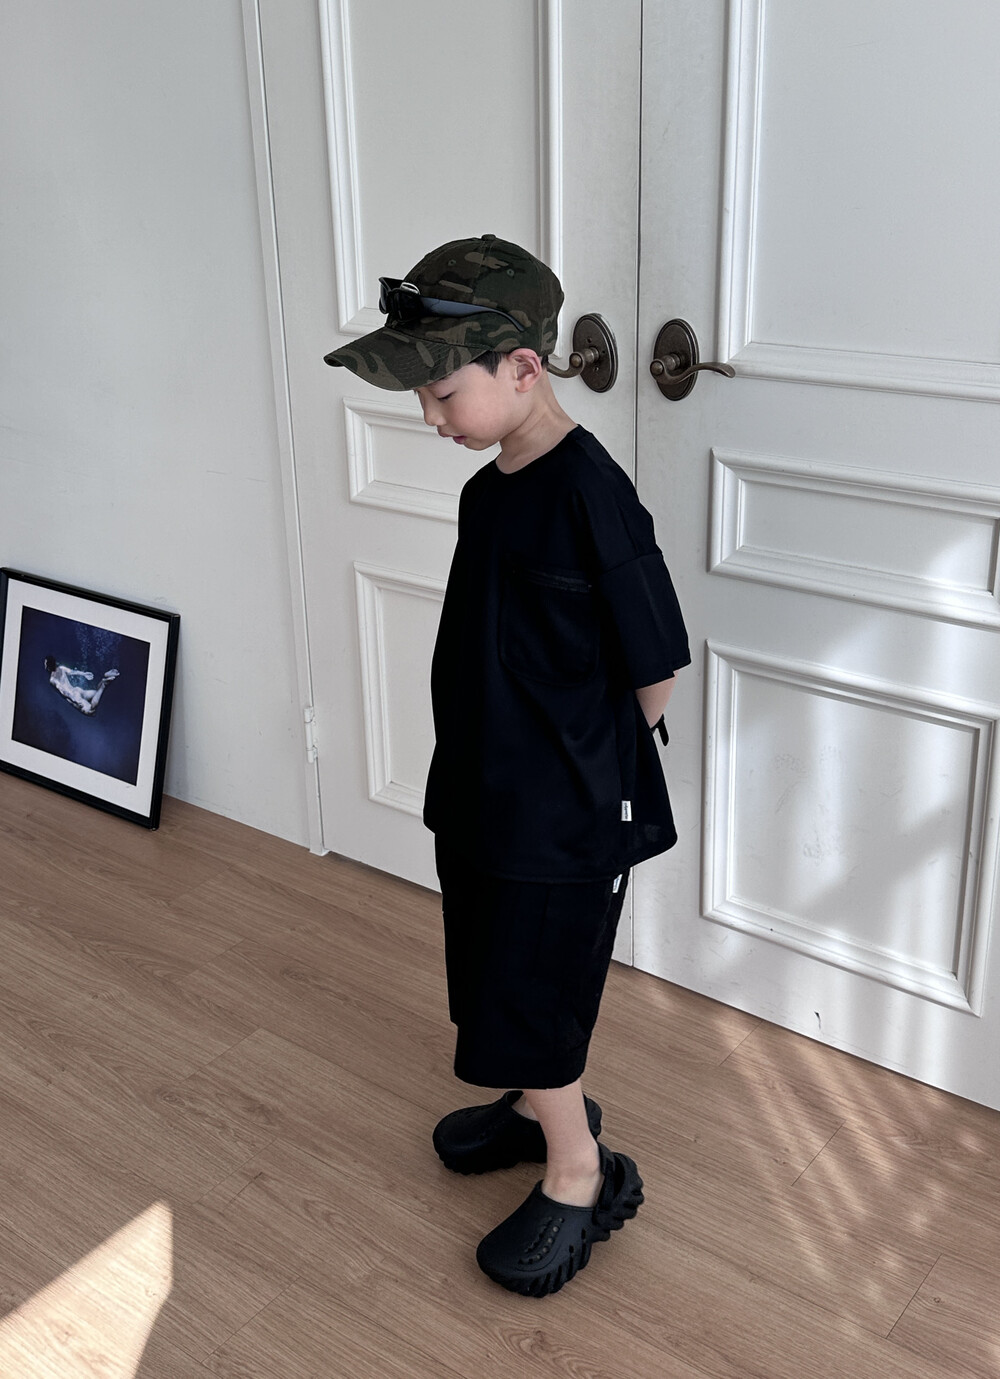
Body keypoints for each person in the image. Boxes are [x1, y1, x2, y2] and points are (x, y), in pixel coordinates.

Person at [324, 234, 690, 1297]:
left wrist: (588, 774)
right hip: (487, 788)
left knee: (536, 982)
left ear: (523, 367)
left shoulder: (592, 495)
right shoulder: (491, 491)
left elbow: (654, 669)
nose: (430, 417)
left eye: (443, 393)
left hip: (565, 809)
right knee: (490, 957)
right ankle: (535, 1104)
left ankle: (580, 1169)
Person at [44, 657, 119, 715]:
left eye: (45, 664)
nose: (44, 666)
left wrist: (74, 699)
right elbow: (72, 672)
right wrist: (84, 674)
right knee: (96, 693)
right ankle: (103, 680)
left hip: (74, 696)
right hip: (77, 690)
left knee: (91, 711)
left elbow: (62, 690)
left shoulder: (52, 680)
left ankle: (104, 685)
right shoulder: (61, 668)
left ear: (48, 667)